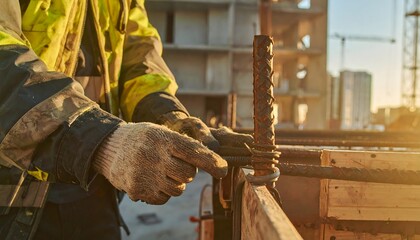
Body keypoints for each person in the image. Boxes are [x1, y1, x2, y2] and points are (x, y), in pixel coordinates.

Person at [0, 1, 252, 239]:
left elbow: (138, 56)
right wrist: (100, 142)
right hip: (12, 190)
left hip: (94, 192)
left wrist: (167, 115)